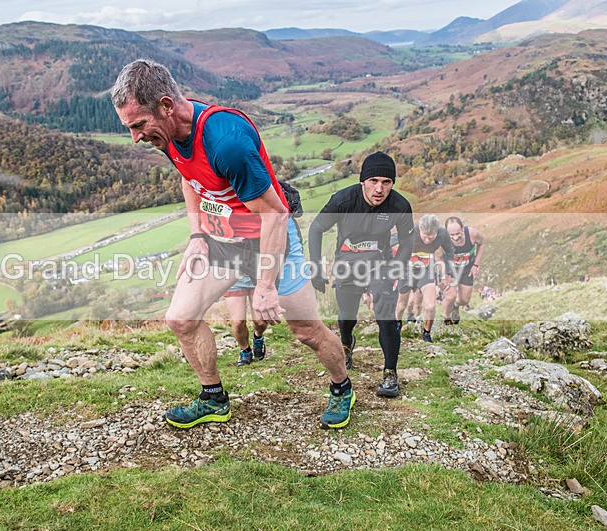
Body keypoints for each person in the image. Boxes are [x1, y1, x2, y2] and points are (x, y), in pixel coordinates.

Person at [112, 59, 353, 430]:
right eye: (129, 128)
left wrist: (266, 287)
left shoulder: (226, 142)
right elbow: (189, 179)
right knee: (181, 318)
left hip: (270, 240)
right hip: (223, 241)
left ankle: (342, 388)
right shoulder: (169, 133)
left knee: (306, 331)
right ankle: (213, 399)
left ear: (165, 105)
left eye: (139, 125)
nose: (136, 137)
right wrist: (196, 237)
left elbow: (275, 214)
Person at [308, 151, 414, 397]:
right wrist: (316, 267)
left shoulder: (399, 205)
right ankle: (346, 344)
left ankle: (390, 372)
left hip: (381, 262)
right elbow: (316, 228)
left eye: (386, 182)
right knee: (347, 316)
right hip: (348, 261)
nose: (380, 188)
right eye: (374, 181)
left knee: (386, 315)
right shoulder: (343, 200)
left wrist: (397, 267)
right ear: (363, 181)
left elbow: (408, 239)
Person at [395, 214, 454, 343]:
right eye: (425, 237)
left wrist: (448, 274)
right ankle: (397, 325)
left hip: (426, 270)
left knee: (430, 306)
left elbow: (450, 252)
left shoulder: (442, 234)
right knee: (402, 304)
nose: (427, 240)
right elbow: (387, 243)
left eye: (431, 237)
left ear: (436, 232)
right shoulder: (409, 231)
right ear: (419, 230)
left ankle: (426, 333)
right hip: (406, 270)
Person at [442, 217, 485, 324]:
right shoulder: (441, 239)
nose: (456, 238)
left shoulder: (472, 234)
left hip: (467, 269)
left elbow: (482, 244)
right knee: (450, 296)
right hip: (450, 269)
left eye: (458, 233)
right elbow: (438, 257)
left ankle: (455, 307)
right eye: (452, 235)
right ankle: (446, 318)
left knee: (464, 300)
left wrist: (476, 265)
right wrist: (445, 274)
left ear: (462, 228)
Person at [223, 274, 267, 366]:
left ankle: (258, 337)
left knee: (260, 322)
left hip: (258, 276)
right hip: (233, 277)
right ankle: (245, 350)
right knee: (238, 322)